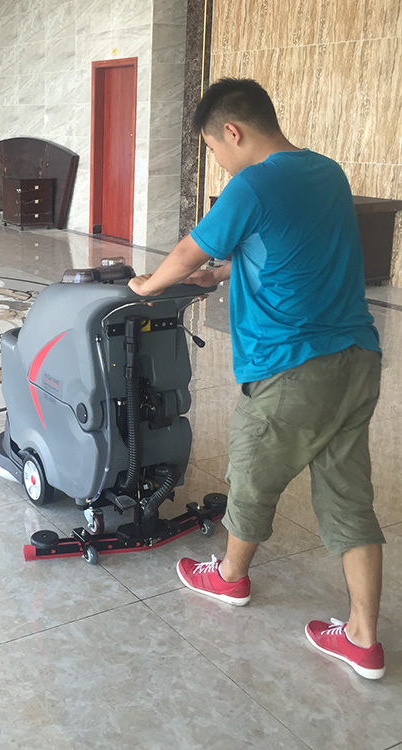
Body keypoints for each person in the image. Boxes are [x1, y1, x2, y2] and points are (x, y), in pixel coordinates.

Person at [128, 78, 385, 680]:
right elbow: (295, 248)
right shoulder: (327, 172)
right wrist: (223, 275)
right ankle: (363, 639)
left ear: (233, 131)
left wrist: (146, 286)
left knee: (251, 475)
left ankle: (229, 577)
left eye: (214, 148)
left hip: (292, 366)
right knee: (348, 495)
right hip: (357, 359)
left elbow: (188, 251)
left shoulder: (253, 183)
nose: (219, 161)